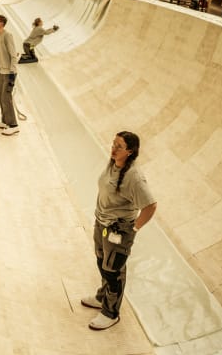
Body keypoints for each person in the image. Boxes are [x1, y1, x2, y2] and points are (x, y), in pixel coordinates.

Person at [81, 131, 157, 330]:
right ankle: (102, 297)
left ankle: (111, 312)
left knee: (113, 269)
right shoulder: (113, 162)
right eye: (113, 144)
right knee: (101, 260)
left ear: (130, 152)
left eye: (119, 147)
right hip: (101, 223)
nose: (113, 149)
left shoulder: (135, 177)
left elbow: (151, 206)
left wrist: (133, 228)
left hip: (119, 229)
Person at [0, 15, 19, 136]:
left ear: (1, 23)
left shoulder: (7, 36)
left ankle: (13, 125)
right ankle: (5, 121)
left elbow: (13, 55)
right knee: (1, 97)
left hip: (9, 73)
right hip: (2, 71)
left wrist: (12, 74)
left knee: (6, 98)